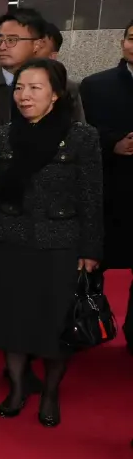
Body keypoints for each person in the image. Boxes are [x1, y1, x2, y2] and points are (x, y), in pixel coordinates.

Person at [0, 59, 103, 427]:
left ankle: (50, 393)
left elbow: (92, 197)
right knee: (11, 321)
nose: (24, 96)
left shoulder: (81, 137)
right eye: (19, 88)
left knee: (53, 324)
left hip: (60, 244)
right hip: (11, 240)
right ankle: (16, 389)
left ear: (55, 94)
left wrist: (91, 249)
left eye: (34, 88)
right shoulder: (4, 135)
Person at [79, 18, 133, 349]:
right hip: (107, 191)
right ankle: (85, 326)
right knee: (91, 266)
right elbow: (82, 132)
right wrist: (112, 143)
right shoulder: (95, 85)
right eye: (131, 38)